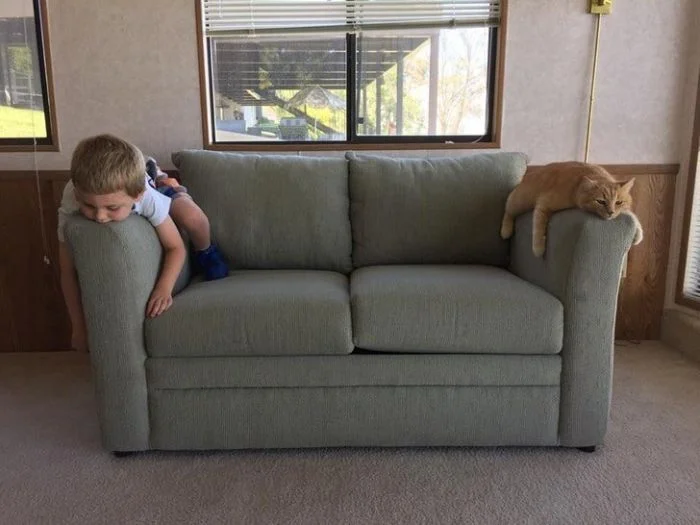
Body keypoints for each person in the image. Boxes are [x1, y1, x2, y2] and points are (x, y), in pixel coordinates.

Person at [58, 134, 228, 351]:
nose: (100, 217)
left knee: (193, 219)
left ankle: (206, 251)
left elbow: (175, 247)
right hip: (133, 182)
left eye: (112, 208)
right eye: (89, 206)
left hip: (152, 181)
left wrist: (164, 289)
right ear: (77, 194)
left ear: (136, 197)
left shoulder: (146, 197)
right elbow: (67, 270)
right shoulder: (72, 199)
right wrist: (78, 328)